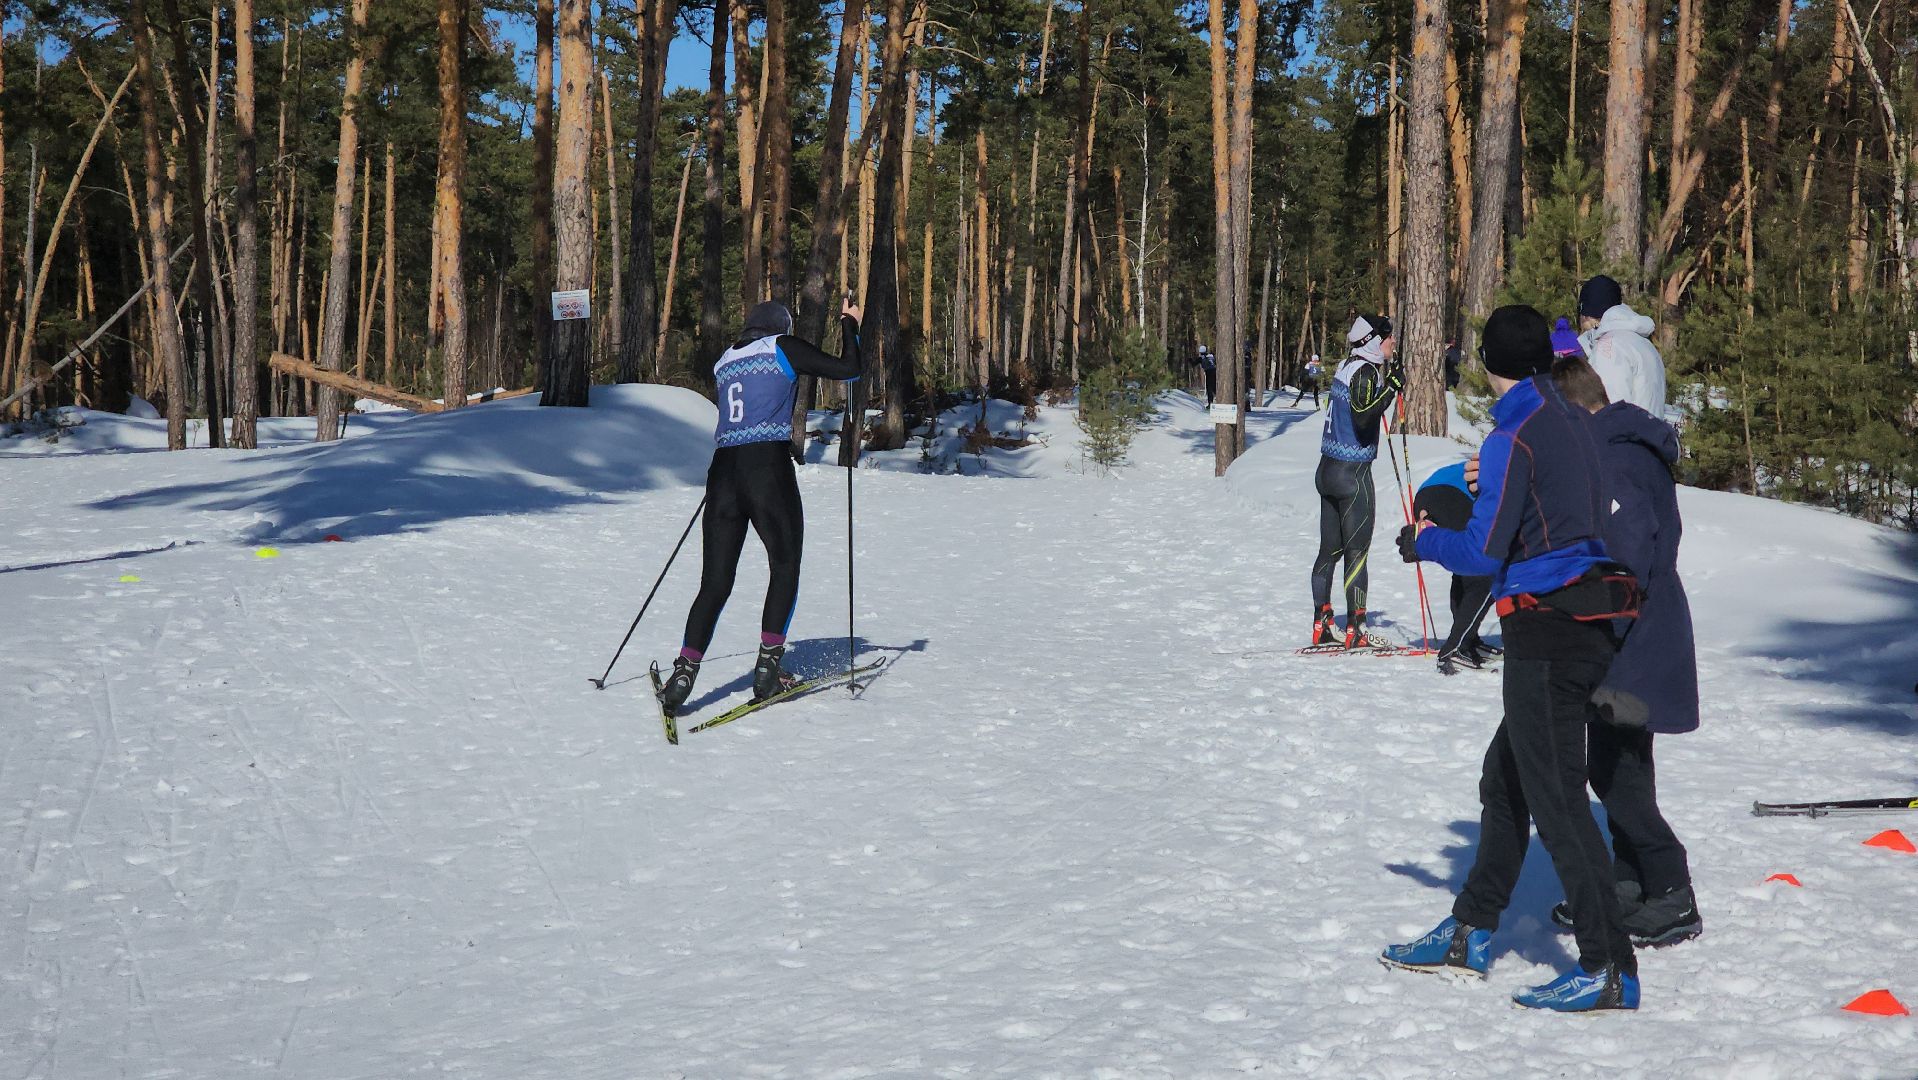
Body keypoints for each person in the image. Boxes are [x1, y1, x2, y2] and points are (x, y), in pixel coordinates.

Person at [1381, 304, 1640, 1013]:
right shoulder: (1570, 418)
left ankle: (1607, 967)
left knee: (1557, 800)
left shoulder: (1512, 435)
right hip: (1586, 620)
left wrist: (1424, 540)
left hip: (1548, 631)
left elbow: (1485, 553)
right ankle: (1470, 929)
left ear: (1488, 362)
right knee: (1507, 782)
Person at [1546, 357, 1703, 947]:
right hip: (1636, 632)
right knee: (1619, 763)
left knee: (1615, 770)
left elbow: (1628, 552)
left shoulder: (1614, 455)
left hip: (1633, 636)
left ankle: (1671, 889)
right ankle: (1628, 883)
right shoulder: (1618, 443)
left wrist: (1592, 618)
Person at [656, 299, 864, 716]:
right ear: (778, 328)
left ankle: (683, 673)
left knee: (714, 583)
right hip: (767, 471)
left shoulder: (725, 359)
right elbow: (849, 370)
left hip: (722, 474)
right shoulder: (780, 347)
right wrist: (849, 325)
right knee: (785, 567)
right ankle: (768, 671)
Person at [1309, 315, 1403, 648]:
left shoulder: (1347, 367)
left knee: (1328, 552)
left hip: (1327, 470)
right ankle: (1357, 628)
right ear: (1375, 341)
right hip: (1353, 474)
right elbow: (1364, 419)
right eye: (1389, 337)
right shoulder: (1365, 372)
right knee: (1356, 553)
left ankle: (1323, 623)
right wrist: (1391, 388)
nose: (1393, 342)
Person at [1412, 461, 1499, 673]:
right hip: (1454, 497)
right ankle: (1456, 647)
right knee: (1488, 573)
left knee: (1464, 568)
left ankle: (1467, 640)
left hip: (1428, 493)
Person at [1576, 275, 1666, 414]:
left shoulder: (1609, 347)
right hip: (1650, 433)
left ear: (1586, 314)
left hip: (1626, 434)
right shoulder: (1644, 343)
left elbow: (1610, 412)